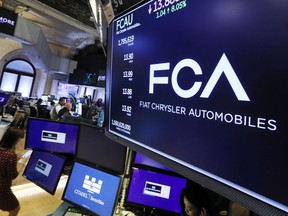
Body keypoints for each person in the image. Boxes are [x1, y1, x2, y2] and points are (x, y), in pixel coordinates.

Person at [0, 127, 24, 216]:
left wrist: (14, 159)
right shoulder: (11, 155)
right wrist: (23, 164)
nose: (20, 142)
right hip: (2, 188)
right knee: (15, 208)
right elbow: (13, 175)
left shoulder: (3, 150)